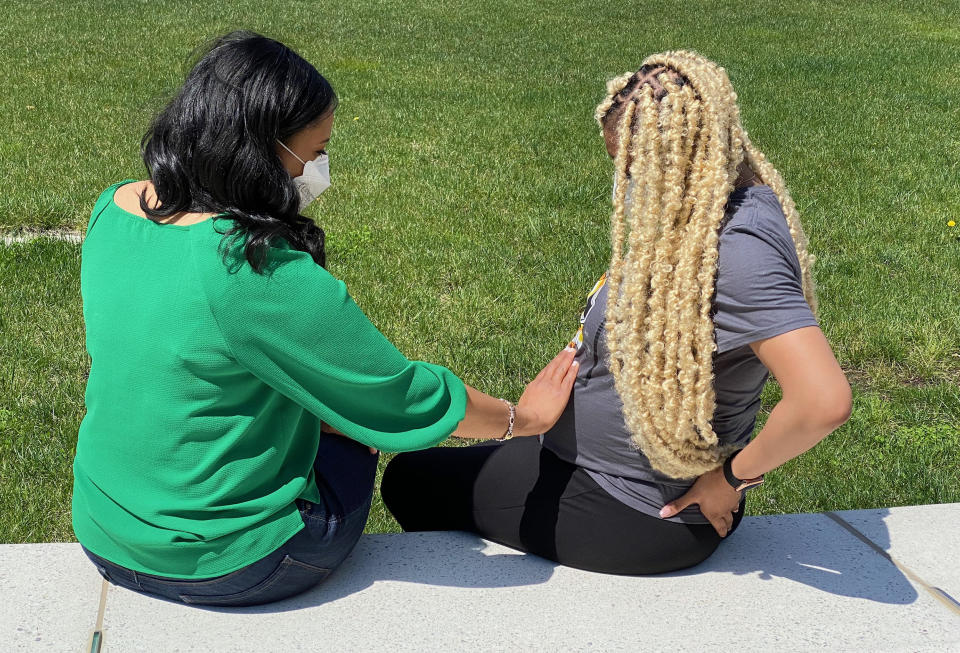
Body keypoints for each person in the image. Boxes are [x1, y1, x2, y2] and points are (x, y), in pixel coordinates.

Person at [71, 30, 577, 607]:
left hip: (103, 528)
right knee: (355, 438)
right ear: (259, 151)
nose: (319, 170)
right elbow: (399, 399)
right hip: (233, 562)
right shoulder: (255, 270)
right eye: (312, 154)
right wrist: (522, 418)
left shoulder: (112, 208)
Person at [381, 50, 852, 575]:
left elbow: (823, 401)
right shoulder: (720, 203)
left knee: (409, 483)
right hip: (594, 469)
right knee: (422, 472)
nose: (625, 181)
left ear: (683, 155)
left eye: (633, 165)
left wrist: (731, 481)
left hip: (631, 510)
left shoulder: (740, 251)